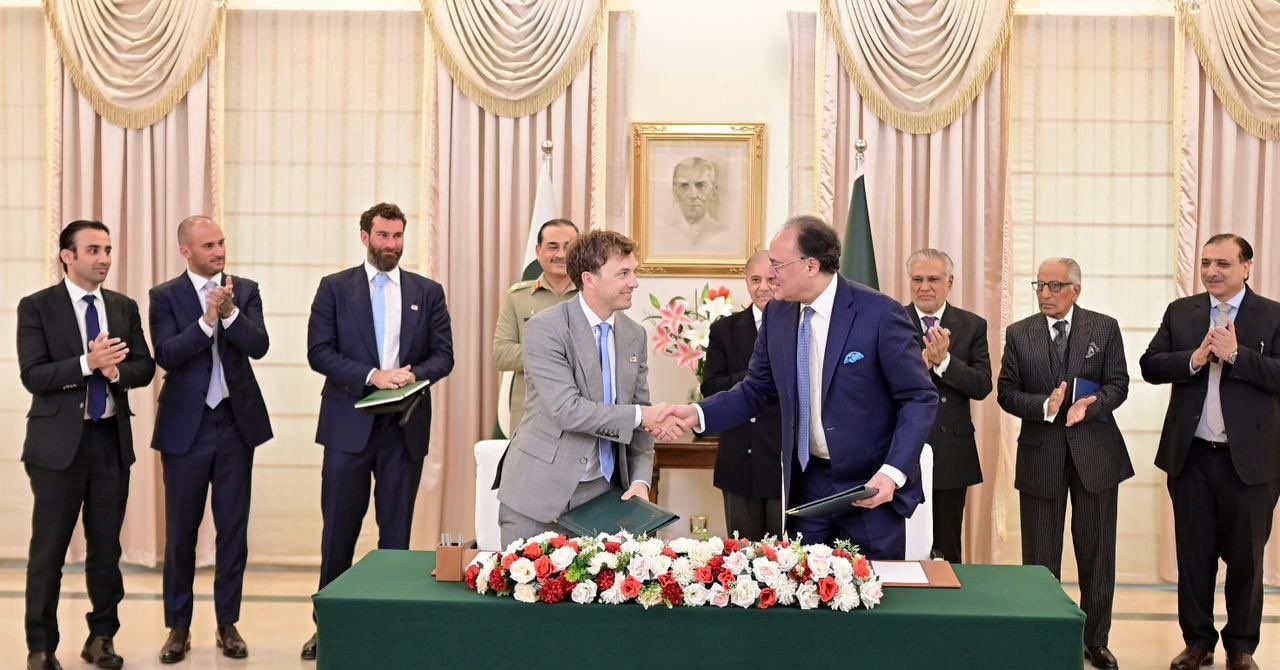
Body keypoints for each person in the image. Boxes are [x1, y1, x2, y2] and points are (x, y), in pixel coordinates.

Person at [663, 215, 938, 559]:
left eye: (778, 264)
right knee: (804, 584)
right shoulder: (777, 315)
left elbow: (919, 397)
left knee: (873, 588)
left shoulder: (880, 313)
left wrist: (891, 474)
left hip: (870, 487)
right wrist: (696, 414)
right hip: (809, 487)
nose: (771, 274)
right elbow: (756, 389)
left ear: (811, 265)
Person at [301, 202, 454, 660]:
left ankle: (390, 628)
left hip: (404, 430)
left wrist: (411, 375)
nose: (392, 244)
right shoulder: (334, 288)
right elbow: (319, 352)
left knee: (396, 537)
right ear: (365, 236)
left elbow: (443, 356)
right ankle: (328, 628)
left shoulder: (428, 292)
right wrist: (373, 376)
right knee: (338, 534)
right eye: (384, 235)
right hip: (348, 428)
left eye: (398, 236)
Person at [18, 220, 155, 670]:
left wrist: (115, 372)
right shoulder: (37, 306)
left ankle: (102, 637)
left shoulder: (123, 307)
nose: (104, 259)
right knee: (49, 551)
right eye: (94, 250)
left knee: (106, 550)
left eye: (108, 250)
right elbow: (33, 375)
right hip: (57, 448)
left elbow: (144, 367)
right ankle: (41, 647)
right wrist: (86, 363)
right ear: (68, 255)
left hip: (109, 443)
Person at [1140, 234, 1280, 670]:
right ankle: (1197, 642)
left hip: (1251, 462)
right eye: (1205, 263)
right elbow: (1150, 365)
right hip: (1192, 457)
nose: (1211, 271)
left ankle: (1241, 646)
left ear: (1247, 267)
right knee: (1194, 557)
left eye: (1222, 263)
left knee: (1246, 561)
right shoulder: (1181, 312)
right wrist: (1195, 359)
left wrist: (1237, 355)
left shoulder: (1272, 315)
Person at [494, 230, 681, 547]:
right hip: (538, 498)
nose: (634, 282)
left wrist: (640, 481)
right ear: (589, 279)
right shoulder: (545, 328)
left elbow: (641, 423)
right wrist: (643, 415)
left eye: (634, 272)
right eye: (624, 273)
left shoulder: (634, 335)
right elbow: (568, 410)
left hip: (604, 499)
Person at [997, 257, 1132, 670]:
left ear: (1076, 289)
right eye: (1039, 285)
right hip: (1041, 455)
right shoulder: (1019, 333)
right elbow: (1006, 392)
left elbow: (1118, 383)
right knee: (1040, 558)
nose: (1045, 293)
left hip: (1096, 456)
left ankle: (1096, 641)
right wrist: (1044, 405)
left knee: (1097, 554)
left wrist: (1091, 405)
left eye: (1055, 286)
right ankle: (1043, 639)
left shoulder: (1104, 328)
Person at [149, 216, 272, 663]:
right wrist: (206, 322)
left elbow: (259, 345)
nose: (219, 251)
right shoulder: (164, 296)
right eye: (208, 245)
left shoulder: (246, 289)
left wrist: (231, 313)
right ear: (186, 251)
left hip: (235, 425)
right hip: (187, 427)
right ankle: (178, 627)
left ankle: (227, 623)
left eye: (221, 242)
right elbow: (166, 354)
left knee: (233, 530)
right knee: (180, 532)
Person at [902, 248, 992, 563]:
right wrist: (922, 364)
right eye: (917, 279)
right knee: (903, 543)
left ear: (949, 283)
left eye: (933, 279)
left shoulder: (971, 325)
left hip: (951, 453)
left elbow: (982, 386)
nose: (924, 287)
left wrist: (944, 363)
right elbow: (876, 384)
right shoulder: (891, 321)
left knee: (947, 546)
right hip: (903, 448)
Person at [699, 251, 783, 540]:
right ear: (746, 282)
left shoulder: (800, 325)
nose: (763, 287)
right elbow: (710, 387)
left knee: (788, 554)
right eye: (755, 280)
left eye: (771, 279)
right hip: (739, 458)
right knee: (742, 555)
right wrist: (755, 377)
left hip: (783, 460)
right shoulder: (724, 329)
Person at [493, 218, 580, 434]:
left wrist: (538, 354)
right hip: (529, 415)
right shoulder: (518, 297)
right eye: (552, 246)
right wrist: (560, 353)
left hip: (581, 411)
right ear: (538, 251)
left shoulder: (593, 297)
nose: (561, 254)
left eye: (569, 247)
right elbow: (502, 355)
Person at [656, 157, 732, 255]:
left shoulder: (727, 235)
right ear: (674, 193)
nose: (692, 195)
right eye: (684, 186)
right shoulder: (662, 237)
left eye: (701, 186)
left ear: (714, 192)